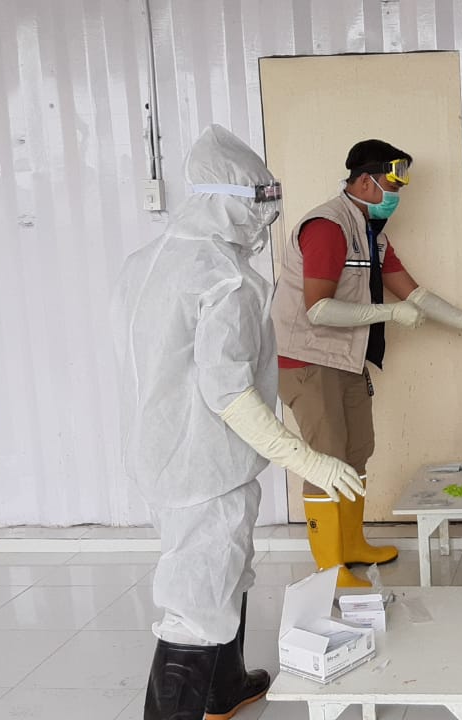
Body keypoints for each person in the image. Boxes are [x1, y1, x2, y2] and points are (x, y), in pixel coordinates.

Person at [112, 125, 365, 720]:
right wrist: (306, 458)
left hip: (160, 447)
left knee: (227, 569)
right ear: (221, 199)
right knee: (197, 602)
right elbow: (227, 392)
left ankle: (226, 689)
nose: (269, 219)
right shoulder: (228, 280)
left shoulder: (145, 262)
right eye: (259, 204)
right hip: (207, 458)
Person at [272, 139, 462, 588]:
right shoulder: (327, 227)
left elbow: (415, 293)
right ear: (364, 181)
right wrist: (388, 312)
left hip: (347, 359)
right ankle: (331, 571)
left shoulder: (371, 233)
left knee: (356, 452)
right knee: (326, 460)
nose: (397, 194)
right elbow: (318, 310)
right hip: (308, 362)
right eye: (392, 182)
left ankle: (351, 545)